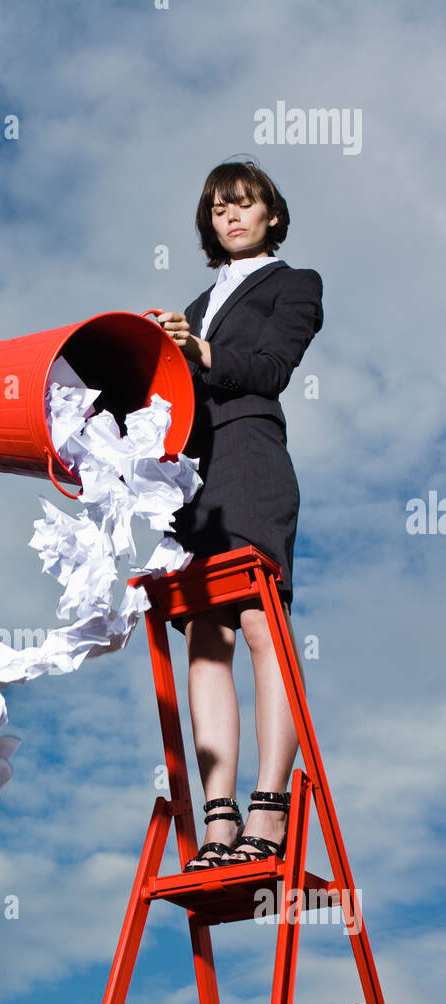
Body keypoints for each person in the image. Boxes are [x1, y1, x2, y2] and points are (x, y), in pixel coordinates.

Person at [156, 160, 323, 871]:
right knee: (205, 636)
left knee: (259, 622)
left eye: (244, 205)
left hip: (253, 457)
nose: (230, 218)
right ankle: (218, 822)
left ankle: (269, 806)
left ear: (271, 216)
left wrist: (204, 352)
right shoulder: (194, 303)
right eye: (219, 209)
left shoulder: (296, 285)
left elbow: (272, 369)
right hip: (196, 480)